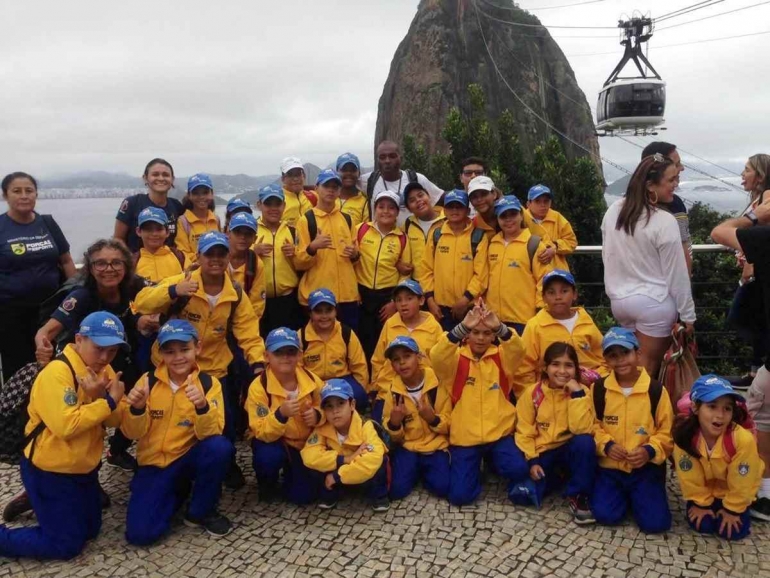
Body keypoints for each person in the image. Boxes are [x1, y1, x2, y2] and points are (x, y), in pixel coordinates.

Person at [133, 231, 265, 489]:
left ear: (228, 257)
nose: (215, 259)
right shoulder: (183, 281)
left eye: (221, 254)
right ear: (199, 257)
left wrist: (258, 362)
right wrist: (173, 290)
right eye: (209, 254)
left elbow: (248, 332)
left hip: (214, 368)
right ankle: (159, 463)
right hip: (173, 365)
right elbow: (142, 302)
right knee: (166, 419)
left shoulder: (235, 293)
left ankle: (225, 463)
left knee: (221, 421)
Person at [0, 312, 129, 559]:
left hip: (84, 469)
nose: (105, 357)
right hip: (49, 471)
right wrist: (109, 401)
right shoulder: (56, 373)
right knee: (65, 545)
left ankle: (41, 504)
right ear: (79, 340)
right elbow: (66, 426)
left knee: (91, 530)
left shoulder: (104, 370)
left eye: (112, 351)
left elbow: (115, 419)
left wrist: (116, 402)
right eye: (99, 348)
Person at [35, 238, 153, 472]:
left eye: (116, 263)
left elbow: (159, 292)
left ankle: (116, 449)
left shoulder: (133, 286)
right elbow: (46, 331)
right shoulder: (82, 296)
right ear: (90, 268)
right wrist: (43, 347)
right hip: (84, 366)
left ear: (127, 266)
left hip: (119, 357)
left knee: (132, 404)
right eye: (101, 264)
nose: (109, 269)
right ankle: (70, 468)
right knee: (87, 418)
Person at [124, 320, 234, 544]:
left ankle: (201, 511)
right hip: (154, 463)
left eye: (185, 349)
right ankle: (175, 492)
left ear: (198, 348)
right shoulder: (148, 381)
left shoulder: (209, 384)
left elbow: (212, 432)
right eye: (170, 351)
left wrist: (202, 406)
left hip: (186, 457)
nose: (178, 357)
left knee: (220, 448)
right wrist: (136, 409)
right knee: (140, 535)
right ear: (160, 352)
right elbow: (131, 433)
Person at [601, 154, 696, 377]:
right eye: (671, 180)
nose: (676, 184)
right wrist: (688, 316)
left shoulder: (614, 211)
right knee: (646, 373)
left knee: (626, 369)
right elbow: (677, 274)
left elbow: (608, 256)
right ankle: (644, 412)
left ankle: (623, 409)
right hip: (655, 305)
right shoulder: (664, 221)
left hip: (620, 301)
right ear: (650, 185)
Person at [710, 190, 770, 521]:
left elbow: (718, 231)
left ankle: (764, 493)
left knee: (760, 410)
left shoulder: (764, 236)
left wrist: (755, 216)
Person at [431, 302, 527, 506]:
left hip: (498, 434)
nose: (481, 338)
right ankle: (475, 468)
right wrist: (462, 327)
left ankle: (492, 463)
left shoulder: (502, 357)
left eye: (486, 333)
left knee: (519, 469)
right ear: (467, 335)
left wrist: (500, 327)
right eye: (475, 332)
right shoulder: (455, 359)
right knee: (459, 497)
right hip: (465, 439)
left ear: (493, 336)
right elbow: (437, 356)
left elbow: (519, 350)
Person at [591, 327, 674, 534]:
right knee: (605, 516)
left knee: (656, 525)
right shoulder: (599, 389)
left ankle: (640, 496)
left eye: (625, 353)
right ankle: (623, 496)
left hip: (644, 468)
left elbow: (667, 432)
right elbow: (591, 426)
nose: (620, 361)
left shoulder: (656, 390)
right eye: (613, 355)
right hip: (611, 468)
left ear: (637, 354)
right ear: (606, 360)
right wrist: (607, 446)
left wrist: (649, 451)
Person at [0, 172, 76, 381]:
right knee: (17, 366)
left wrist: (77, 294)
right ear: (5, 195)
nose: (24, 196)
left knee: (52, 363)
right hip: (11, 313)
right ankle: (18, 412)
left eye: (29, 190)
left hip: (50, 309)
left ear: (36, 194)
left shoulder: (47, 223)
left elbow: (67, 261)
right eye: (17, 191)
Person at [509, 342, 596, 523]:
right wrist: (532, 461)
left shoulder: (583, 392)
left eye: (569, 365)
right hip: (543, 451)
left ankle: (578, 495)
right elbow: (524, 430)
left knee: (585, 442)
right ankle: (559, 478)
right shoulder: (533, 393)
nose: (562, 371)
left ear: (576, 369)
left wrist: (577, 396)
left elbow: (582, 429)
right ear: (545, 368)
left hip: (569, 448)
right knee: (522, 496)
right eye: (556, 364)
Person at [672, 375, 763, 541]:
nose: (720, 415)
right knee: (703, 525)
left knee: (732, 532)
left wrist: (733, 509)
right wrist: (700, 503)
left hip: (731, 491)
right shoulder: (685, 437)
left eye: (727, 408)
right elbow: (689, 475)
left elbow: (744, 478)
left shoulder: (741, 439)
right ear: (696, 407)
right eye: (712, 406)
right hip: (705, 490)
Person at [246, 327, 324, 504]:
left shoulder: (312, 380)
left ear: (299, 355)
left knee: (303, 497)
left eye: (291, 352)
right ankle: (267, 482)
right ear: (266, 356)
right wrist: (280, 415)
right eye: (278, 352)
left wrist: (318, 415)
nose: (285, 357)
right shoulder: (259, 387)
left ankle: (294, 471)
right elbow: (260, 431)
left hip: (307, 444)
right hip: (278, 442)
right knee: (267, 457)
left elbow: (329, 408)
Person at [513, 270, 608, 397]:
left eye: (564, 291)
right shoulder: (535, 326)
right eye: (551, 292)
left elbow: (605, 358)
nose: (558, 297)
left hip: (589, 393)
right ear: (543, 297)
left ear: (574, 294)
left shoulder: (586, 322)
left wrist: (597, 379)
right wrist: (531, 398)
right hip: (551, 396)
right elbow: (523, 368)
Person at [300, 379, 390, 512]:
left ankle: (379, 496)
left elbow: (372, 458)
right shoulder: (322, 429)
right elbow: (309, 454)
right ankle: (331, 494)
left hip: (356, 476)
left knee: (379, 461)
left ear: (352, 404)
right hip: (342, 470)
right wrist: (343, 459)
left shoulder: (365, 426)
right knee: (314, 467)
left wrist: (337, 476)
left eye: (340, 403)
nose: (335, 411)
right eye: (329, 406)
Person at [381, 336, 450, 500]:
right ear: (392, 366)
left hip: (435, 445)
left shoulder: (437, 385)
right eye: (396, 360)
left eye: (407, 356)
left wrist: (432, 418)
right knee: (396, 491)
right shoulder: (393, 392)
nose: (402, 363)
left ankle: (424, 470)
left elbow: (450, 423)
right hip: (408, 446)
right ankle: (412, 469)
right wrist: (395, 423)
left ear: (419, 358)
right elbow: (392, 434)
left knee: (443, 487)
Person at [369, 280, 443, 423]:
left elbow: (440, 361)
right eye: (398, 300)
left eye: (409, 298)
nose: (403, 304)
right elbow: (378, 359)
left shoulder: (433, 327)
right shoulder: (390, 324)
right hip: (389, 390)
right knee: (380, 428)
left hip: (423, 390)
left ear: (421, 300)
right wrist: (375, 388)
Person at [295, 169, 360, 329]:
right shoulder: (306, 220)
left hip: (347, 296)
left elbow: (357, 258)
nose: (331, 190)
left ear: (339, 190)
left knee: (347, 346)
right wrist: (312, 247)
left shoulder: (348, 219)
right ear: (316, 188)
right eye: (326, 186)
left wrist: (354, 254)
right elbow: (298, 263)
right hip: (318, 298)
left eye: (335, 186)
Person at [727, 154, 770, 388]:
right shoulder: (757, 198)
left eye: (747, 170)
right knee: (755, 319)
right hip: (754, 270)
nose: (742, 175)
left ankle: (758, 373)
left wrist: (751, 263)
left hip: (757, 271)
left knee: (749, 318)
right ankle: (755, 372)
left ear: (760, 175)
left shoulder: (766, 197)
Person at [419, 189, 489, 332]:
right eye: (451, 206)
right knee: (443, 349)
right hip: (440, 309)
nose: (455, 210)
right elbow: (425, 270)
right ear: (444, 210)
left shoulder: (478, 236)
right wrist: (430, 301)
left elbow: (481, 275)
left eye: (459, 206)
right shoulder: (436, 234)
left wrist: (464, 300)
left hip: (469, 308)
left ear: (468, 210)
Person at [355, 191, 411, 359]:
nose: (385, 211)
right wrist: (353, 291)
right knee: (361, 340)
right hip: (361, 294)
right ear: (374, 209)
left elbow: (406, 274)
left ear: (397, 213)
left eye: (391, 208)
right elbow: (349, 262)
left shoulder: (402, 238)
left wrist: (395, 302)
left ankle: (380, 380)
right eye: (381, 207)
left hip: (386, 297)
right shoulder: (361, 230)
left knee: (383, 341)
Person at [486, 195, 551, 336]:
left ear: (521, 215)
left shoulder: (533, 244)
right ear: (497, 219)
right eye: (503, 216)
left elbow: (544, 280)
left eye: (513, 214)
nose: (508, 220)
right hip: (493, 320)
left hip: (523, 320)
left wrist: (541, 310)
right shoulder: (492, 243)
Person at [301, 289, 369, 412]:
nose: (324, 316)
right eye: (318, 311)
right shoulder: (301, 337)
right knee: (303, 403)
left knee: (360, 396)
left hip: (342, 381)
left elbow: (360, 367)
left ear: (335, 311)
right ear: (310, 313)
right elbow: (297, 371)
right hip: (313, 384)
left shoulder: (346, 333)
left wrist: (360, 389)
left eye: (329, 310)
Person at [254, 184, 302, 335]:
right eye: (268, 204)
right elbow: (235, 259)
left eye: (278, 204)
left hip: (288, 301)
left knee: (288, 346)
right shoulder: (249, 231)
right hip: (258, 302)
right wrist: (252, 251)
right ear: (259, 205)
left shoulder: (294, 231)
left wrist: (296, 254)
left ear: (284, 205)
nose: (273, 208)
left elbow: (304, 265)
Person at [359, 140, 444, 225]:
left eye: (392, 156)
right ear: (377, 160)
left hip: (411, 237)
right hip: (378, 237)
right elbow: (348, 181)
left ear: (401, 159)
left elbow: (441, 197)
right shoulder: (369, 180)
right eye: (382, 157)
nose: (387, 161)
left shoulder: (416, 179)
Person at [640, 142, 691, 274]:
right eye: (677, 164)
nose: (682, 168)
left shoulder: (624, 207)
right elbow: (683, 251)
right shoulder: (674, 204)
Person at [114, 158, 184, 252]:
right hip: (138, 264)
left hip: (169, 264)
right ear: (145, 178)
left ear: (172, 179)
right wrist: (131, 262)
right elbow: (118, 238)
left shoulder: (177, 206)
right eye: (155, 174)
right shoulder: (132, 203)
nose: (161, 178)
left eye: (165, 175)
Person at [524, 184, 577, 272]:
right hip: (529, 271)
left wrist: (555, 248)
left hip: (556, 272)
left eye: (546, 201)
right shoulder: (521, 219)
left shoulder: (557, 217)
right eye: (537, 201)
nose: (543, 205)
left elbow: (572, 241)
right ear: (528, 204)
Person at [175, 173, 221, 264]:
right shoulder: (183, 221)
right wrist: (204, 261)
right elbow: (183, 252)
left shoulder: (216, 219)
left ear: (212, 194)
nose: (201, 197)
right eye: (196, 193)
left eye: (205, 192)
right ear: (189, 195)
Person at [403, 182, 445, 280]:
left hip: (442, 283)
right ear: (409, 209)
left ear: (429, 196)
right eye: (412, 200)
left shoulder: (448, 220)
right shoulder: (408, 224)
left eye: (421, 195)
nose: (418, 200)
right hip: (417, 285)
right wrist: (398, 263)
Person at [227, 212, 265, 319]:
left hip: (244, 321)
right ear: (228, 233)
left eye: (248, 234)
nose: (242, 237)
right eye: (238, 232)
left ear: (255, 238)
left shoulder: (256, 264)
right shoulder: (216, 257)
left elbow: (257, 305)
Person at [133, 207, 186, 283]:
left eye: (159, 229)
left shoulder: (180, 257)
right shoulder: (133, 262)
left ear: (167, 232)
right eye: (148, 229)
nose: (154, 234)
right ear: (138, 231)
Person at [336, 153, 370, 227]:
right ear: (337, 172)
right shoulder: (329, 197)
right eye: (344, 170)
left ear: (359, 173)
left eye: (353, 170)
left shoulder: (365, 203)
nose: (349, 173)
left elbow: (366, 232)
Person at [279, 157, 314, 228]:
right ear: (283, 178)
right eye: (290, 175)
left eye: (298, 174)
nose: (295, 179)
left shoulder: (313, 197)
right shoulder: (278, 201)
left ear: (303, 176)